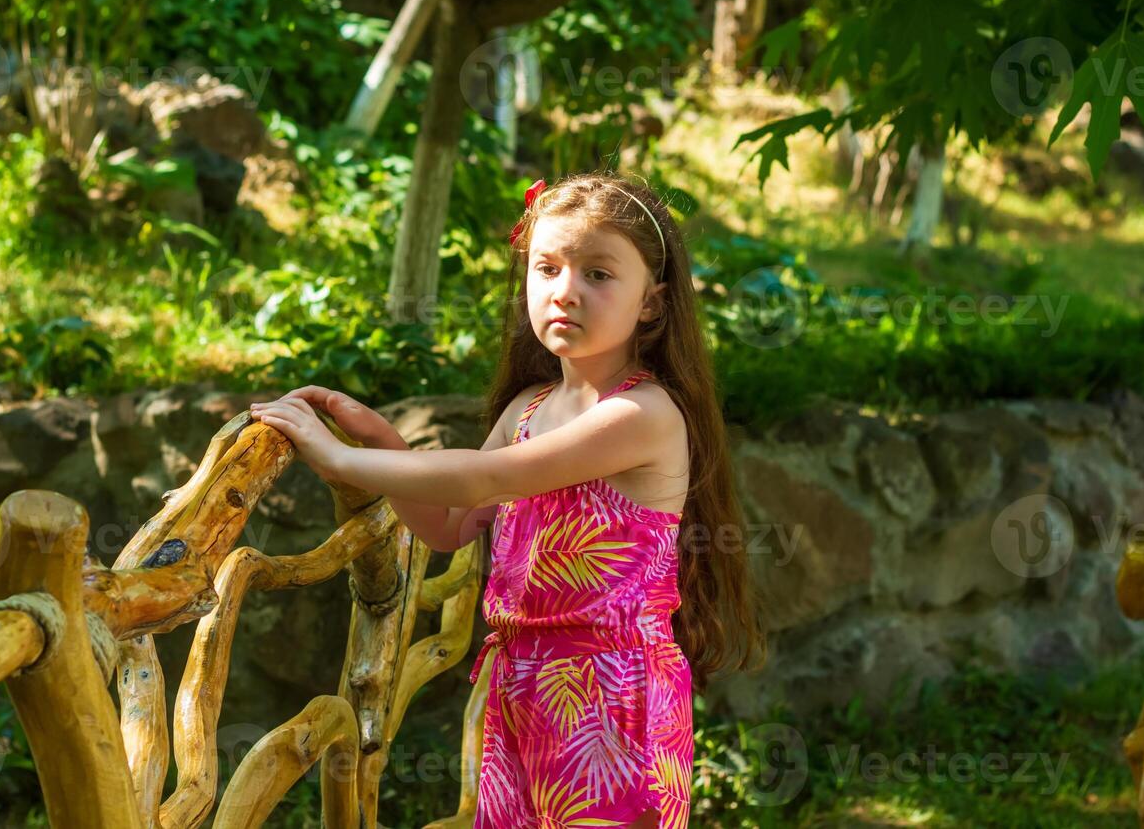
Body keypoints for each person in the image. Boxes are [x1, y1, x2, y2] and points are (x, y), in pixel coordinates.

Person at [249, 171, 767, 828]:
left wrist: (342, 458)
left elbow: (482, 480)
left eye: (598, 275)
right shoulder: (530, 408)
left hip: (610, 698)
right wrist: (382, 439)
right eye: (547, 268)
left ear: (652, 303)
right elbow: (448, 525)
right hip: (519, 687)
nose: (565, 292)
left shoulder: (642, 414)